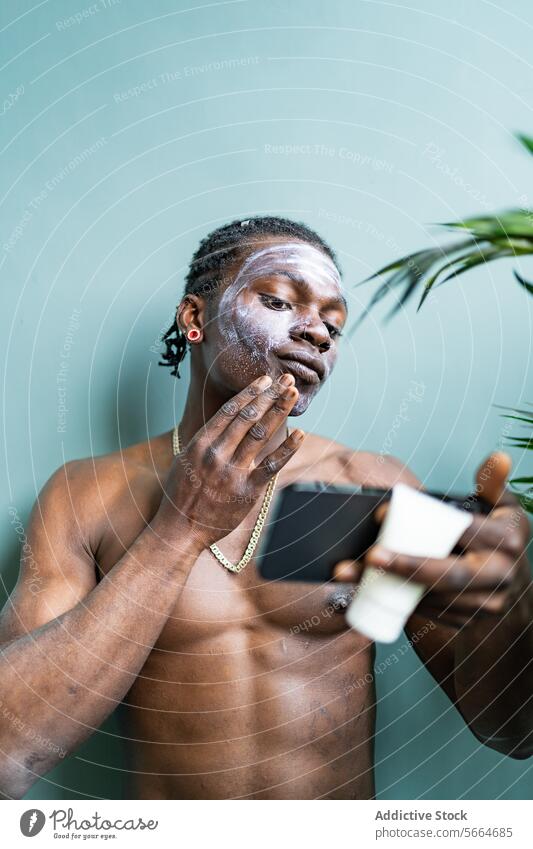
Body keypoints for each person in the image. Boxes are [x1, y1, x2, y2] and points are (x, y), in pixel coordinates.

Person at [0, 216, 531, 801]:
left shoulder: (369, 488)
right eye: (280, 300)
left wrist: (512, 605)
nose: (318, 333)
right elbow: (9, 751)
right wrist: (181, 530)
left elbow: (511, 731)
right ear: (195, 317)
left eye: (333, 322)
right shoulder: (85, 496)